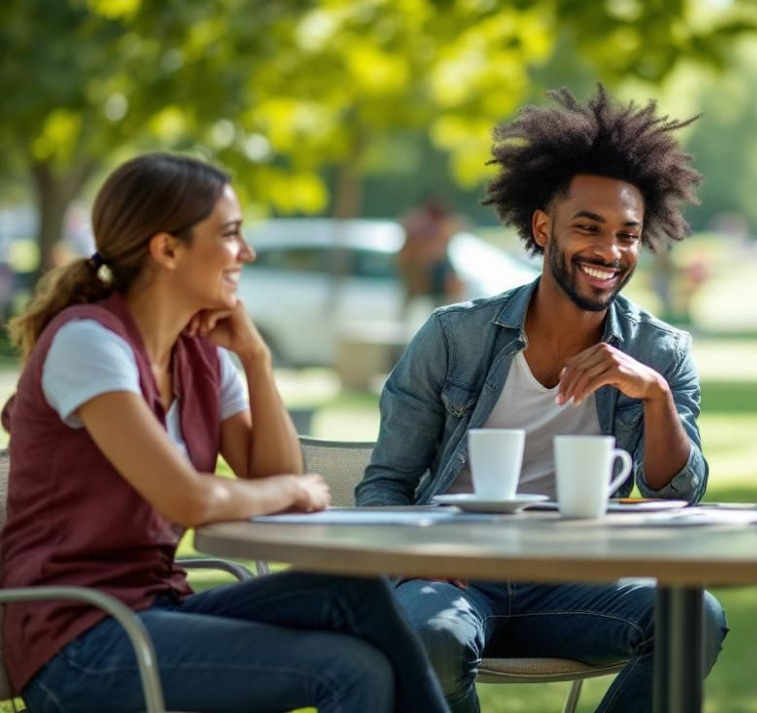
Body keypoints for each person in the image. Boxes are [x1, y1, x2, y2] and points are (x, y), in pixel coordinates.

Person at [1, 153, 450, 713]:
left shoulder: (204, 358)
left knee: (356, 592)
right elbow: (191, 498)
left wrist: (257, 359)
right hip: (77, 642)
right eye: (231, 234)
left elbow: (281, 489)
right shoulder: (89, 344)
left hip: (154, 611)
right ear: (167, 249)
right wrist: (292, 491)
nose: (248, 252)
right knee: (347, 670)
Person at [356, 86, 727, 713]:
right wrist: (413, 557)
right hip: (456, 573)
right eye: (588, 228)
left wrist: (655, 395)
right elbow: (386, 482)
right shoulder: (455, 337)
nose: (609, 252)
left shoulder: (659, 353)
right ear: (542, 226)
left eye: (627, 235)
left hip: (575, 582)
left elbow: (677, 495)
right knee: (431, 635)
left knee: (695, 616)